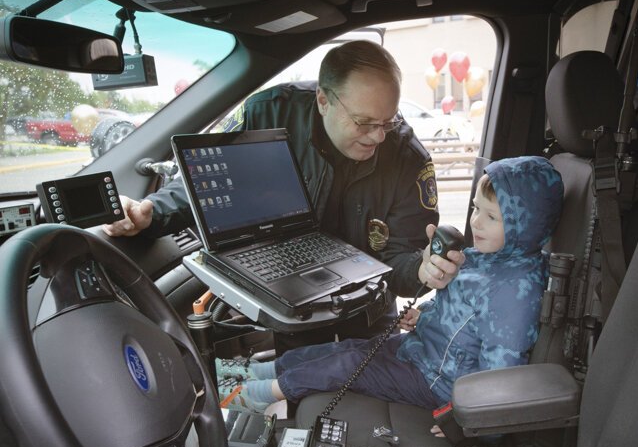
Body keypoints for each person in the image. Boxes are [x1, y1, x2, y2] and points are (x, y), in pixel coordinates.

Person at [102, 40, 464, 353]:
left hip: (366, 312)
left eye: (387, 122)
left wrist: (423, 269)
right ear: (323, 100)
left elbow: (402, 262)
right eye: (364, 122)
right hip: (283, 296)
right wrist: (153, 211)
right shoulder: (269, 113)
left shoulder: (407, 159)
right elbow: (211, 178)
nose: (378, 137)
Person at [222, 156, 564, 416]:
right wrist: (424, 314)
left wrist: (468, 420)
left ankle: (258, 395)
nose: (475, 222)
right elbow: (457, 309)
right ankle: (252, 370)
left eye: (492, 217)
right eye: (476, 209)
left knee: (348, 365)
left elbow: (499, 373)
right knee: (345, 350)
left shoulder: (515, 293)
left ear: (526, 227)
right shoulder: (482, 257)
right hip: (420, 353)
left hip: (439, 385)